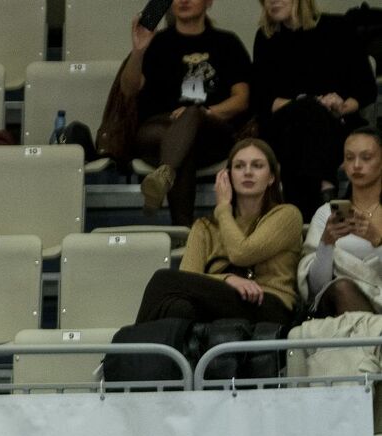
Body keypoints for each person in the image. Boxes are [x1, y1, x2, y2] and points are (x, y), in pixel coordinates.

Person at [136, 138, 302, 327]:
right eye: (239, 166)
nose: (248, 172)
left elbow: (241, 253)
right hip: (222, 303)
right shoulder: (205, 227)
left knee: (163, 280)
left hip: (269, 304)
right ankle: (143, 345)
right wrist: (228, 279)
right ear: (228, 176)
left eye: (257, 166)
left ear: (271, 176)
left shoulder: (287, 215)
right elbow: (187, 277)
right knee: (179, 308)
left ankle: (128, 344)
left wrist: (223, 208)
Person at [122, 0, 251, 225]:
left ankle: (168, 186)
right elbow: (128, 89)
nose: (183, 0)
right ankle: (183, 231)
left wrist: (204, 113)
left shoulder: (226, 43)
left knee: (190, 119)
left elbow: (241, 100)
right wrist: (138, 51)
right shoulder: (157, 42)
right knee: (182, 144)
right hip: (157, 131)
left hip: (211, 133)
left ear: (209, 2)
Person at [252, 0, 376, 220]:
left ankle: (303, 218)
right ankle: (326, 191)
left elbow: (366, 89)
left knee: (311, 125)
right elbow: (261, 100)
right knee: (307, 113)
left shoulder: (338, 28)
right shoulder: (266, 38)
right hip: (284, 127)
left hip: (336, 123)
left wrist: (340, 105)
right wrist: (307, 104)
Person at [301, 128, 382, 318]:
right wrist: (327, 243)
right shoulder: (325, 213)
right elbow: (316, 289)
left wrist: (377, 241)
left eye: (366, 157)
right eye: (349, 158)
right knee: (342, 287)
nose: (356, 165)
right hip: (339, 309)